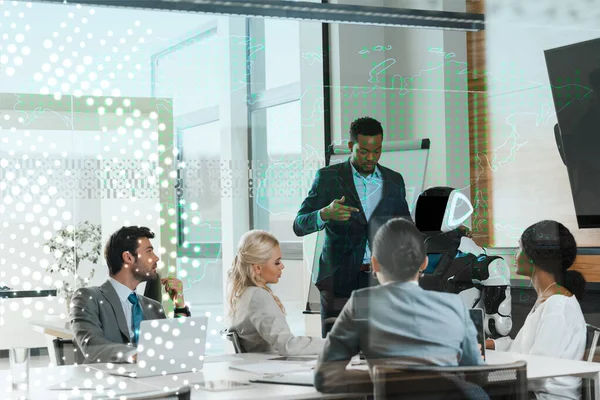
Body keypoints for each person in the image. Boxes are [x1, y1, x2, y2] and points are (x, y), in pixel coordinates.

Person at [314, 218, 485, 394]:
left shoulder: (362, 303)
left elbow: (326, 378)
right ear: (424, 263)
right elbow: (477, 376)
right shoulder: (454, 305)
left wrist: (381, 380)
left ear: (374, 264)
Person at [294, 116, 412, 337]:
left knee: (379, 348)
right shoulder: (328, 178)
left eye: (377, 151)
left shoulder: (394, 181)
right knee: (338, 352)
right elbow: (299, 225)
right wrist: (324, 214)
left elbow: (405, 228)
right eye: (364, 151)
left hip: (379, 280)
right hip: (338, 281)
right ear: (351, 146)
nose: (371, 158)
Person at [486, 220, 587, 400]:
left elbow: (537, 373)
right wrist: (492, 346)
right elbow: (523, 351)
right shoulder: (549, 299)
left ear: (533, 257)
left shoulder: (558, 307)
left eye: (519, 248)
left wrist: (487, 376)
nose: (515, 255)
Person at [70, 226, 190, 364]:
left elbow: (176, 348)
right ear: (128, 257)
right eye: (149, 251)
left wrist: (179, 306)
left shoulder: (153, 307)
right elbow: (93, 346)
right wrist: (136, 355)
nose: (156, 258)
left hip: (149, 381)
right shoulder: (88, 298)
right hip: (106, 381)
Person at [228, 230, 325, 355]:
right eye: (277, 262)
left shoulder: (242, 294)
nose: (282, 266)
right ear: (258, 268)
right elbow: (288, 346)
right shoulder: (258, 296)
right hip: (270, 370)